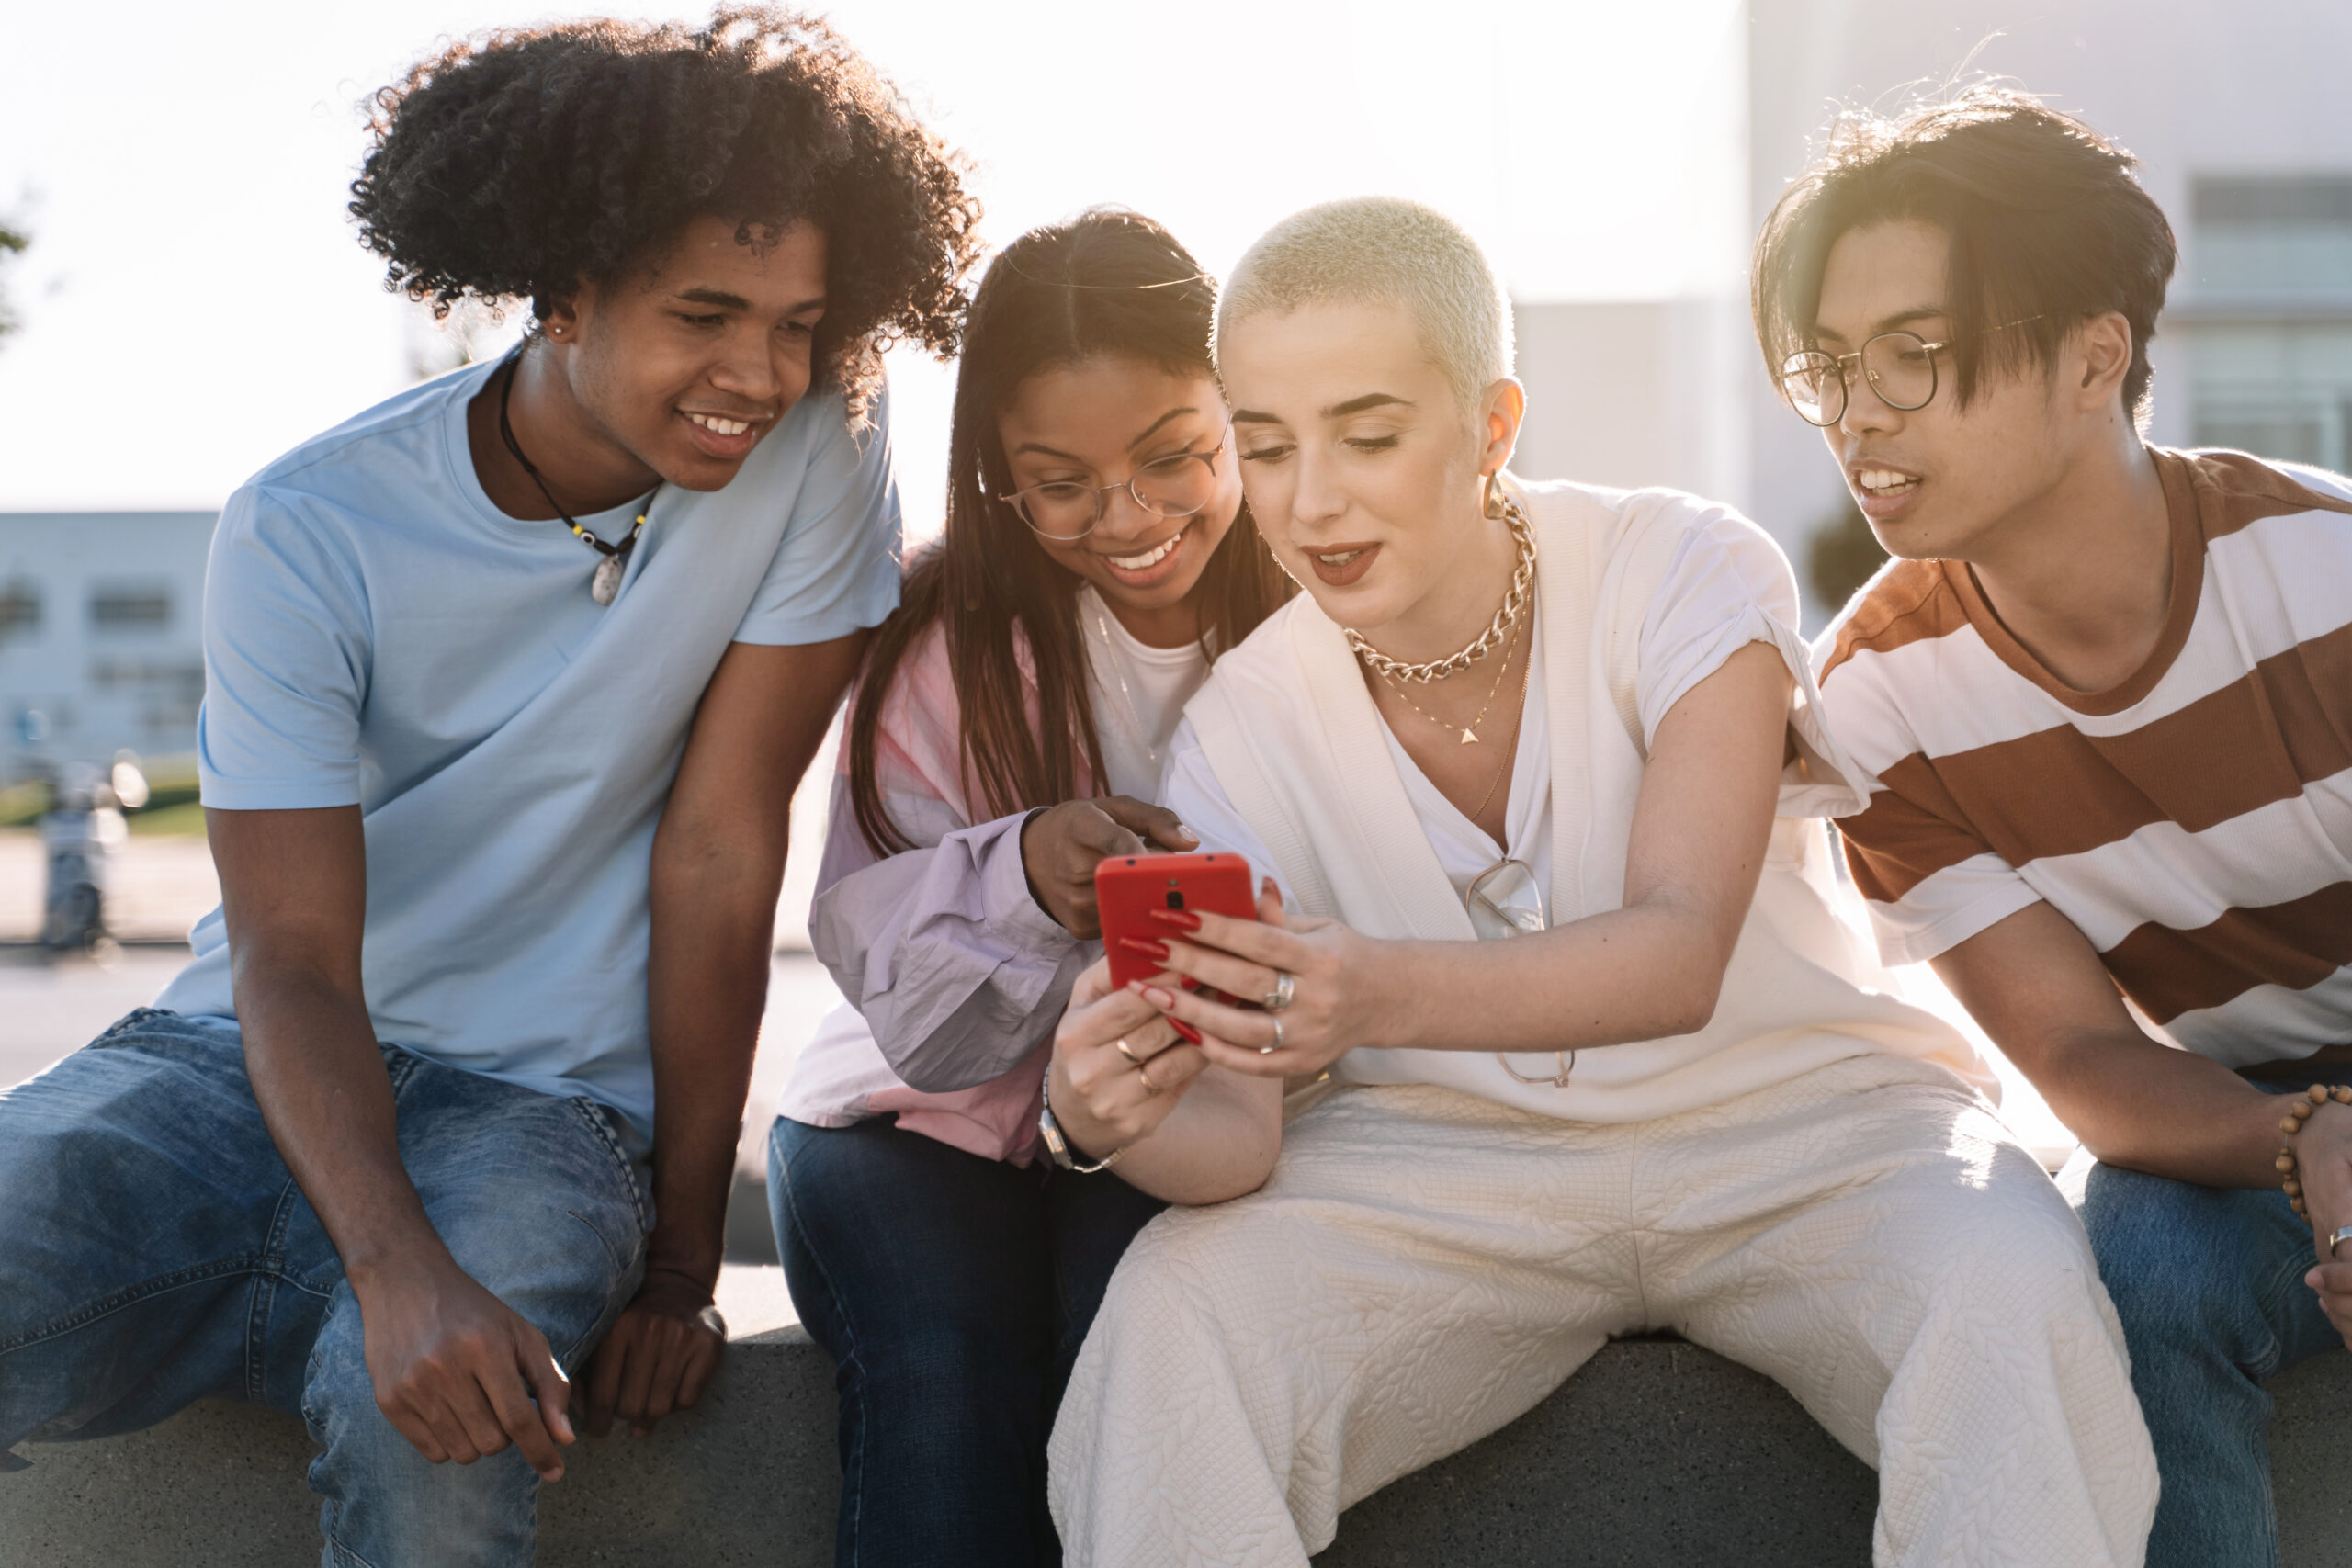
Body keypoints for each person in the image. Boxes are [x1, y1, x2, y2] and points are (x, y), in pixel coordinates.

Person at [1045, 195, 2160, 1568]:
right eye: (1264, 446)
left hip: (1806, 1128)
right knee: (1172, 1320)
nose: (1308, 499)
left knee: (2010, 1289)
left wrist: (1368, 991)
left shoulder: (1683, 568)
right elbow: (1239, 1141)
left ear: (1494, 427)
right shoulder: (1236, 727)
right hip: (1448, 1173)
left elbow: (1679, 950)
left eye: (1369, 435)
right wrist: (1101, 1107)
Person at [0, 13, 977, 1565]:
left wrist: (675, 1264)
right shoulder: (305, 532)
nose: (760, 374)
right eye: (706, 314)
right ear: (564, 291)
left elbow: (725, 852)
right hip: (231, 1070)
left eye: (799, 322)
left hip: (549, 1114)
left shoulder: (818, 446)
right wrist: (390, 1264)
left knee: (451, 1432)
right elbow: (294, 959)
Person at [1770, 86, 2352, 1568]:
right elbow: (2081, 1064)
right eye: (1832, 369)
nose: (1860, 416)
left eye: (1918, 357)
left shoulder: (2331, 584)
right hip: (2277, 1155)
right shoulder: (1879, 704)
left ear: (2098, 356)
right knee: (2135, 1245)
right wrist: (2312, 1142)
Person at [770, 210, 1292, 1568]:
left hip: (1178, 1121)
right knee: (945, 1369)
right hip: (909, 1132)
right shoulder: (939, 649)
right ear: (995, 474)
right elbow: (897, 993)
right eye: (1057, 482)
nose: (1128, 521)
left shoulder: (1323, 614)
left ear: (1238, 408)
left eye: (1175, 457)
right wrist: (1022, 876)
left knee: (1145, 1349)